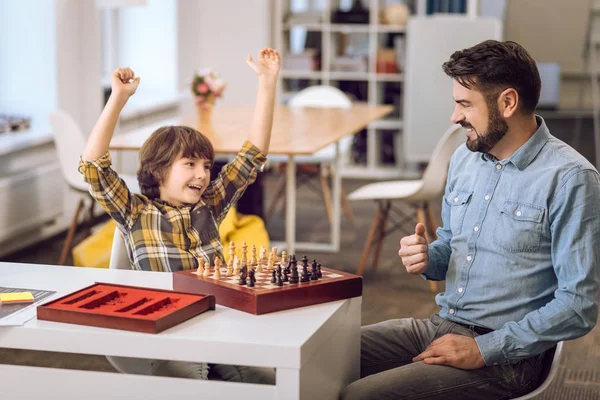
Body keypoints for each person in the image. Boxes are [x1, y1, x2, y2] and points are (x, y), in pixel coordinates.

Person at [341, 40, 600, 399]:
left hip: (509, 358)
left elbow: (579, 306)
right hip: (442, 324)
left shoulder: (570, 178)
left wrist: (484, 350)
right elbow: (451, 244)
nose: (455, 116)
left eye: (465, 104)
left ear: (507, 103)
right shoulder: (465, 159)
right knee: (321, 354)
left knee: (360, 395)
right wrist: (429, 257)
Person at [79, 48, 280, 383]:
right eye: (190, 165)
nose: (202, 175)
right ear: (158, 170)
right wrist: (118, 98)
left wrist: (267, 83)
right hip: (168, 333)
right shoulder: (136, 211)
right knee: (190, 382)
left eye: (205, 165)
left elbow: (253, 155)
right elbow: (94, 166)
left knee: (264, 381)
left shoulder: (211, 205)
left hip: (217, 324)